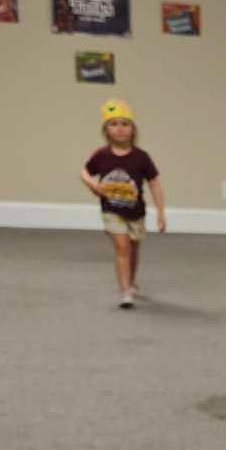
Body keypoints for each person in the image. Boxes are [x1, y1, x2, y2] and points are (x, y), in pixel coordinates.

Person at [80, 98, 165, 309]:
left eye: (125, 124)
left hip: (136, 212)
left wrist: (161, 212)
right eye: (114, 124)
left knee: (133, 249)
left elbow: (154, 184)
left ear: (133, 130)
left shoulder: (141, 157)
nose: (120, 129)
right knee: (122, 246)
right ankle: (125, 291)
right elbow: (84, 171)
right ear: (106, 130)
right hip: (111, 210)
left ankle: (132, 281)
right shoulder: (101, 155)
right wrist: (93, 185)